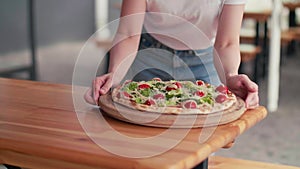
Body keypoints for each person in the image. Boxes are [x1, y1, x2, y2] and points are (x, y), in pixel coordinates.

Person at [91, 0, 259, 109]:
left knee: (201, 147)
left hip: (204, 61)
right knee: (144, 139)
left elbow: (226, 42)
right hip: (150, 55)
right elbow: (128, 34)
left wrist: (230, 76)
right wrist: (114, 74)